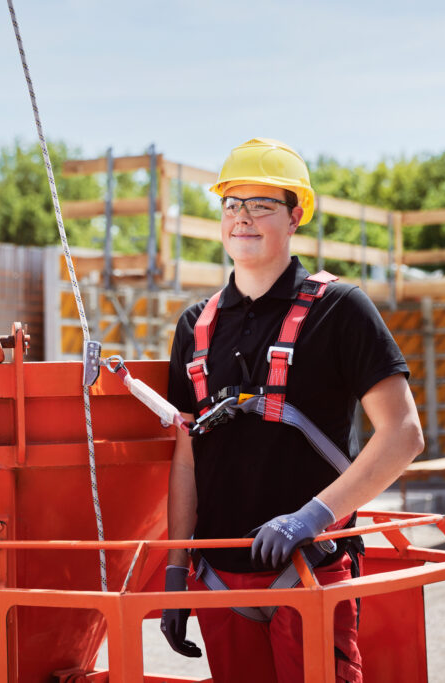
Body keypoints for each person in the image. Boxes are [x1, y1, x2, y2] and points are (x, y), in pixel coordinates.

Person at [161, 138, 424, 683]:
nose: (243, 219)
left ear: (295, 215)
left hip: (311, 575)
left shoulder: (340, 309)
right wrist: (175, 571)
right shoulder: (195, 327)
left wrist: (312, 517)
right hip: (220, 583)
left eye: (262, 206)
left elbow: (403, 434)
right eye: (232, 205)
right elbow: (185, 460)